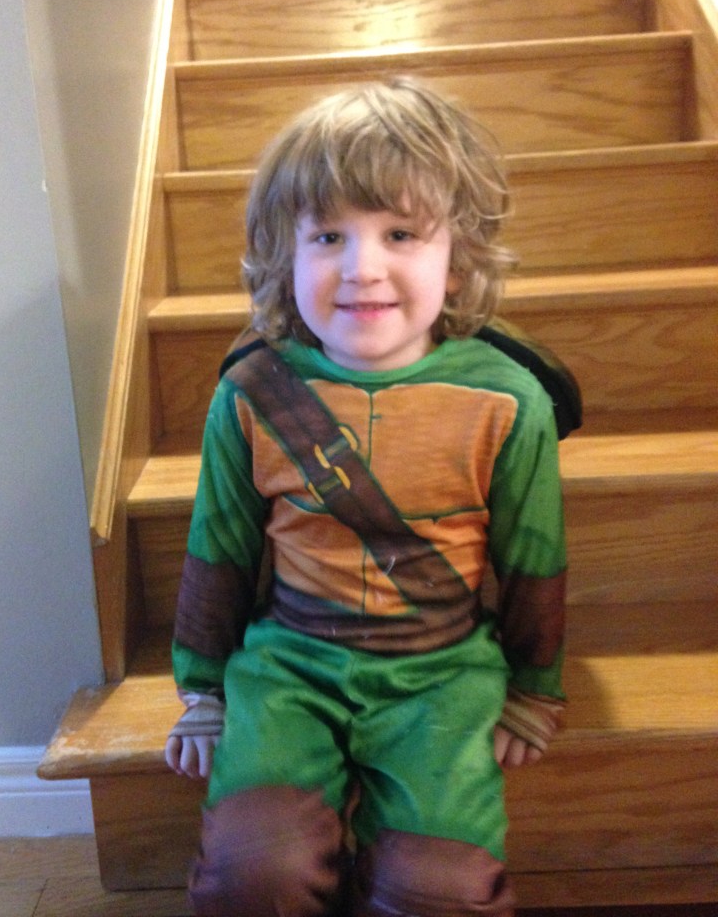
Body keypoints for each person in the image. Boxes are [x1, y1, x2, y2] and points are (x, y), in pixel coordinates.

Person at [165, 77, 568, 917]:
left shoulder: (509, 401)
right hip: (288, 666)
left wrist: (533, 688)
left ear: (458, 256)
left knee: (441, 892)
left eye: (400, 233)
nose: (362, 268)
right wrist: (202, 691)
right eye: (326, 236)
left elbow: (533, 558)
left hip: (442, 674)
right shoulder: (252, 394)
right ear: (286, 257)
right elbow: (220, 548)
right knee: (254, 872)